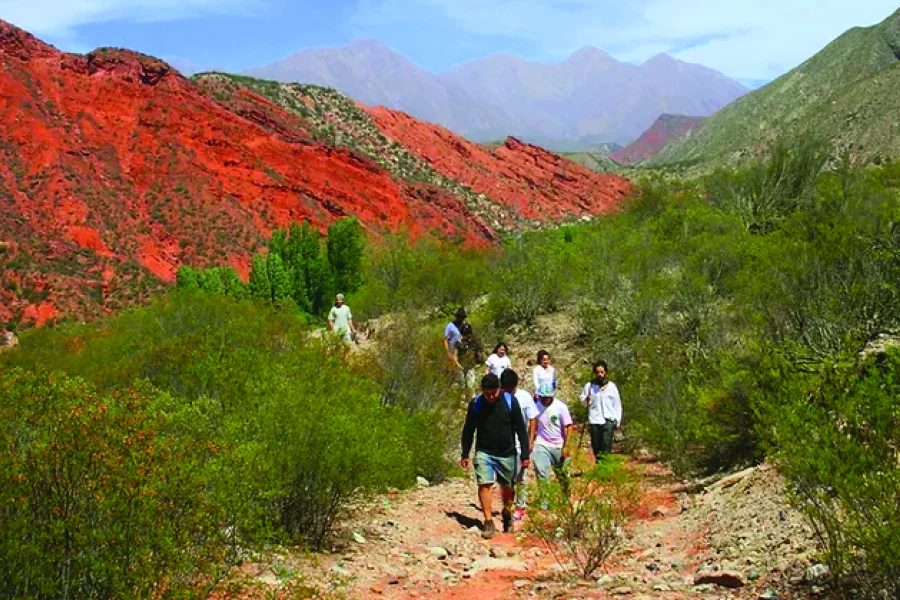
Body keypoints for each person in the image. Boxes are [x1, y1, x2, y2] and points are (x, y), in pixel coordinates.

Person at [460, 373, 531, 538]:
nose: (491, 396)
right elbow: (469, 429)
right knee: (484, 484)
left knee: (507, 487)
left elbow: (520, 428)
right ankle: (488, 521)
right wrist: (465, 452)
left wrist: (525, 454)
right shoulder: (476, 404)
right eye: (487, 393)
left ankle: (507, 513)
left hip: (507, 453)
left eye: (494, 392)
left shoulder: (510, 401)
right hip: (484, 451)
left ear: (500, 389)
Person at [500, 369, 538, 521]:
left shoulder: (524, 397)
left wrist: (530, 441)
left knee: (520, 477)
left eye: (511, 389)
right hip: (503, 444)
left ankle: (521, 506)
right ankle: (507, 506)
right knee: (505, 478)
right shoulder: (498, 397)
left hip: (519, 443)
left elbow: (533, 419)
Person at [532, 382, 574, 504]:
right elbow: (532, 424)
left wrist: (567, 446)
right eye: (542, 397)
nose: (544, 400)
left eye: (546, 397)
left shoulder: (561, 407)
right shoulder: (536, 407)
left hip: (558, 445)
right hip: (542, 443)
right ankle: (545, 500)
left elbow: (569, 426)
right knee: (542, 472)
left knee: (562, 474)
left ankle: (566, 497)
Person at [580, 360, 622, 461]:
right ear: (595, 373)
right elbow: (583, 402)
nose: (600, 374)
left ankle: (606, 470)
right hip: (595, 420)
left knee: (606, 446)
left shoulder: (612, 387)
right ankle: (599, 468)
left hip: (608, 420)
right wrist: (586, 400)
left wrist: (617, 420)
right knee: (596, 447)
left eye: (602, 372)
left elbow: (617, 404)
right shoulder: (589, 386)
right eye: (598, 372)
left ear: (605, 372)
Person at [456, 323, 482, 390]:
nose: (468, 337)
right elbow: (454, 354)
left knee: (470, 387)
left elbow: (479, 352)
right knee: (461, 388)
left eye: (469, 335)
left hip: (470, 367)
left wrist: (478, 359)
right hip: (460, 367)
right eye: (466, 335)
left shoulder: (474, 341)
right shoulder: (457, 342)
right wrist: (457, 364)